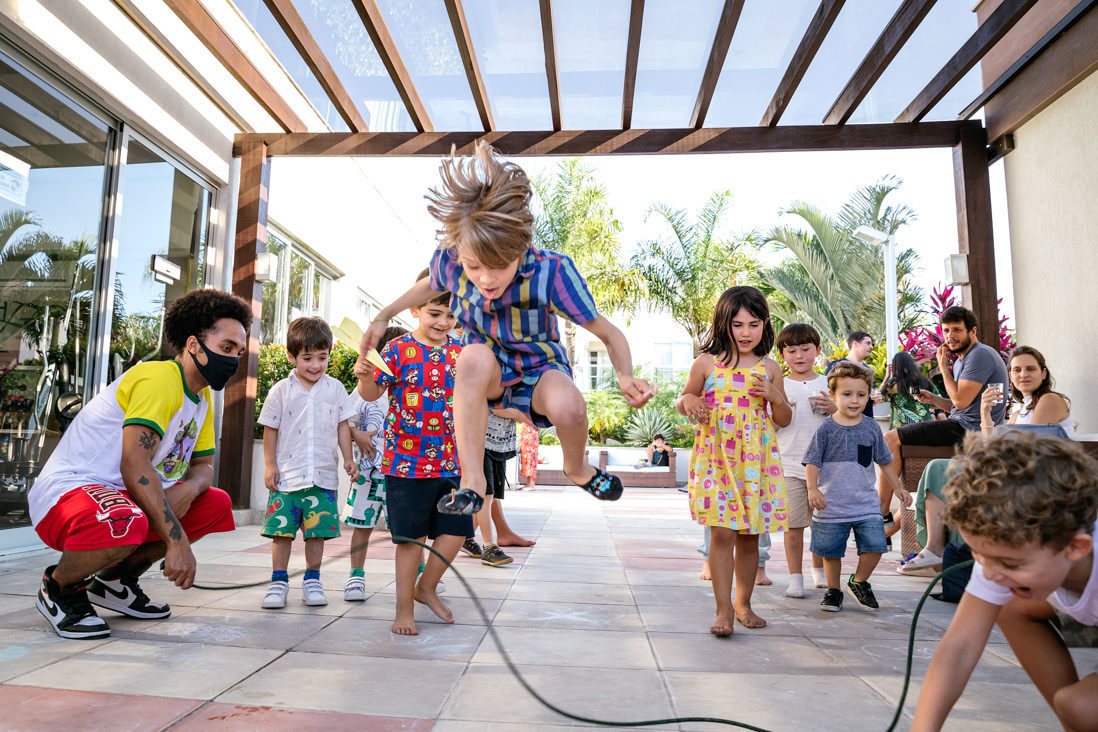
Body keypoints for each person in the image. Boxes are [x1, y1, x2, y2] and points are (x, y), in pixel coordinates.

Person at [359, 141, 653, 518]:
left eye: (497, 266)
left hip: (539, 369)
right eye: (473, 266)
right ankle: (472, 483)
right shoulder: (449, 261)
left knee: (571, 409)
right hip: (489, 372)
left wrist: (625, 375)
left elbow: (609, 332)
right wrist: (385, 313)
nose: (484, 279)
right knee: (472, 357)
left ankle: (577, 469)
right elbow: (431, 284)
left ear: (521, 247)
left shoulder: (552, 271)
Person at [30, 289, 249, 639]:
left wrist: (190, 489)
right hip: (69, 491)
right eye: (226, 348)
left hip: (120, 496)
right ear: (194, 345)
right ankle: (59, 587)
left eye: (239, 352)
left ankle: (115, 581)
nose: (234, 360)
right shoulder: (159, 378)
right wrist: (177, 542)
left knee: (215, 504)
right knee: (123, 519)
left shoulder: (202, 399)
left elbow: (204, 466)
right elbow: (135, 464)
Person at [910, 432, 1097, 731]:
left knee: (1081, 706)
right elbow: (959, 647)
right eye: (980, 555)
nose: (992, 573)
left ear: (1076, 547)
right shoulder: (1007, 551)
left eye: (1010, 564)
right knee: (1011, 604)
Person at [355, 275, 471, 636]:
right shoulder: (395, 350)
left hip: (453, 460)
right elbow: (372, 393)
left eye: (450, 316)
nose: (443, 323)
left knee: (456, 531)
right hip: (405, 463)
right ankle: (403, 609)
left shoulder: (462, 352)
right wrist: (363, 376)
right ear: (415, 309)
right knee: (410, 540)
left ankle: (426, 587)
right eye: (435, 313)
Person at [903, 345, 1077, 577]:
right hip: (1016, 471)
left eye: (1030, 369)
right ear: (1010, 377)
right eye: (1016, 370)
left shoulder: (1050, 400)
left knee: (946, 470)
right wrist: (985, 414)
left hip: (1040, 476)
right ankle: (938, 550)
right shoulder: (1019, 411)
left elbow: (1024, 449)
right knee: (940, 468)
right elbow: (993, 450)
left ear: (1043, 373)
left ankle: (940, 551)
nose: (1023, 374)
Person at [677, 286, 792, 635]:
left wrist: (774, 396)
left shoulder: (770, 368)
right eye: (738, 324)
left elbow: (784, 417)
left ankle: (744, 603)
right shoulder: (707, 362)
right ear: (724, 323)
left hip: (755, 462)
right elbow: (685, 396)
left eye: (753, 324)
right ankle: (724, 609)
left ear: (765, 325)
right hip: (716, 458)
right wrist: (689, 402)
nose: (745, 333)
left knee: (749, 537)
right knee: (722, 532)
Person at [877, 305, 1008, 573]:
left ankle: (880, 517)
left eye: (957, 330)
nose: (950, 336)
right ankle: (887, 520)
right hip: (961, 422)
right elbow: (960, 404)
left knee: (891, 438)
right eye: (946, 330)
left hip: (971, 431)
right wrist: (934, 399)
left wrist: (942, 368)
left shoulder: (979, 355)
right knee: (897, 442)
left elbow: (961, 401)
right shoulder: (963, 359)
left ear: (972, 331)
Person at [259, 317, 358, 609]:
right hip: (287, 476)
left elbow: (343, 426)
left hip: (323, 477)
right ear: (292, 356)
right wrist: (269, 465)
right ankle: (278, 582)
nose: (315, 365)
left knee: (318, 533)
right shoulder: (281, 390)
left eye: (322, 358)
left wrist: (348, 459)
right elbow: (270, 429)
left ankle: (312, 580)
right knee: (281, 533)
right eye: (307, 358)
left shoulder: (335, 388)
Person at [806, 361, 911, 612]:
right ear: (833, 396)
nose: (854, 400)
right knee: (831, 551)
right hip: (832, 504)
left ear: (869, 396)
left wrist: (897, 487)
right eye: (847, 394)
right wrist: (813, 489)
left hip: (865, 503)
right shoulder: (826, 429)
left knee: (876, 545)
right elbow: (812, 461)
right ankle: (833, 591)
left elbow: (885, 461)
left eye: (861, 395)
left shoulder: (871, 427)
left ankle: (859, 581)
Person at [341, 325, 407, 601]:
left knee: (406, 530)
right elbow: (343, 422)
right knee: (362, 526)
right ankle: (355, 576)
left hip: (402, 473)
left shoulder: (409, 389)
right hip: (368, 472)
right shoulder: (364, 390)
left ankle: (417, 574)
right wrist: (357, 435)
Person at [775, 322, 835, 598]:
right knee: (793, 525)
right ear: (782, 355)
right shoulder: (780, 386)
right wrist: (782, 410)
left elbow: (847, 420)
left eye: (805, 349)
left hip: (827, 468)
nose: (799, 356)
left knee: (824, 526)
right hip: (789, 464)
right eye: (791, 350)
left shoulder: (829, 384)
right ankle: (794, 577)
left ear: (818, 350)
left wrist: (835, 408)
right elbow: (771, 426)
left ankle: (818, 570)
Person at [880, 350, 939, 429]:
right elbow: (938, 402)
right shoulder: (925, 381)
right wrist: (926, 407)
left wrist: (886, 377)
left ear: (896, 366)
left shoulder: (894, 383)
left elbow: (879, 398)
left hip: (901, 430)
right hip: (924, 427)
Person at [518, 422, 539, 489]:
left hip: (531, 433)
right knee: (525, 458)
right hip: (526, 432)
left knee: (531, 458)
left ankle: (531, 484)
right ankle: (528, 483)